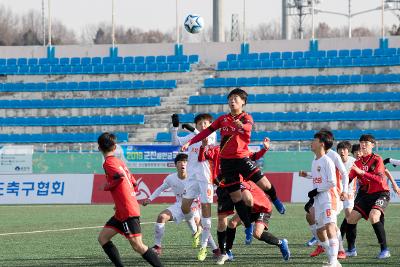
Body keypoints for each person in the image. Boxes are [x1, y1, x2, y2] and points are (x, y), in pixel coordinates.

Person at [181, 88, 286, 249]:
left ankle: (277, 201)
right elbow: (206, 132)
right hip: (227, 163)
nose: (232, 101)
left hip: (242, 159)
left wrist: (241, 126)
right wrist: (190, 142)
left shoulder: (246, 117)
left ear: (243, 102)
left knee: (265, 185)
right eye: (230, 98)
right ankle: (247, 228)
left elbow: (248, 128)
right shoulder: (222, 119)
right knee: (237, 199)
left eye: (236, 98)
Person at [198, 136, 270, 263]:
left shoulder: (240, 151)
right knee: (222, 222)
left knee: (248, 199)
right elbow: (202, 157)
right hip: (223, 188)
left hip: (237, 185)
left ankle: (248, 226)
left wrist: (264, 149)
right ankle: (223, 252)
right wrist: (203, 146)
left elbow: (253, 156)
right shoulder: (215, 150)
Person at [97, 132, 163, 267]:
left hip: (127, 210)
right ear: (115, 147)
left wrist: (107, 186)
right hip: (123, 210)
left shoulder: (108, 163)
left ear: (99, 148)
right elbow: (133, 183)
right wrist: (122, 200)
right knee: (103, 238)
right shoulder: (119, 162)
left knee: (138, 246)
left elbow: (119, 176)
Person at [171, 113, 220, 261]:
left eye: (205, 123)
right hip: (192, 178)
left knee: (206, 212)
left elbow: (203, 138)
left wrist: (192, 129)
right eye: (200, 123)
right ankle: (196, 230)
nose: (203, 126)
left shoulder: (212, 135)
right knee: (185, 207)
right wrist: (174, 128)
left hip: (205, 177)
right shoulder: (192, 137)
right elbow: (175, 142)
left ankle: (204, 247)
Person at [142, 153, 202, 255]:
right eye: (179, 162)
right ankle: (157, 246)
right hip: (179, 205)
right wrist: (150, 198)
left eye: (185, 162)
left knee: (197, 226)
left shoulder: (194, 177)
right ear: (176, 165)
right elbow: (161, 188)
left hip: (193, 206)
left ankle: (197, 236)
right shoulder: (171, 178)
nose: (182, 164)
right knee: (161, 217)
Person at [301, 130, 348, 259]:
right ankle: (324, 245)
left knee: (330, 224)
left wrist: (344, 191)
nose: (312, 142)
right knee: (311, 215)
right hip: (319, 194)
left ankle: (340, 250)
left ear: (323, 143)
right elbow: (319, 176)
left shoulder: (333, 157)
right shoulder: (316, 158)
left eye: (315, 140)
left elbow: (343, 174)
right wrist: (307, 175)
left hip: (332, 194)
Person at [221, 180, 290, 265]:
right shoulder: (232, 182)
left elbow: (249, 199)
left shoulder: (239, 183)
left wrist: (247, 223)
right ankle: (228, 252)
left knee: (257, 234)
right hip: (249, 207)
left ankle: (281, 243)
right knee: (232, 223)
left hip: (262, 208)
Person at [346, 134, 392, 259]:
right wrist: (342, 189)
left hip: (381, 193)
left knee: (374, 216)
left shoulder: (377, 159)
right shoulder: (357, 162)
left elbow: (379, 179)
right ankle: (351, 249)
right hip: (366, 195)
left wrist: (362, 173)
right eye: (361, 142)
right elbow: (349, 179)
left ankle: (385, 250)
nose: (363, 144)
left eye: (367, 142)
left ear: (373, 145)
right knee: (350, 219)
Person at [336, 141, 357, 244]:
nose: (342, 151)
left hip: (349, 193)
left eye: (344, 149)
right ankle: (324, 239)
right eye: (340, 149)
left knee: (349, 216)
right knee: (328, 219)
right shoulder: (334, 162)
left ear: (348, 151)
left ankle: (351, 246)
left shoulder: (354, 162)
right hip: (336, 194)